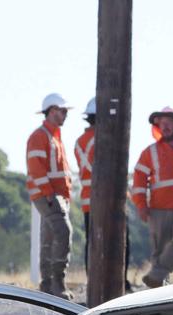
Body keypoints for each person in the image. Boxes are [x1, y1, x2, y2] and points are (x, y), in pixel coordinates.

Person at [132, 106, 173, 287]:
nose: (165, 127)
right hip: (158, 209)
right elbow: (138, 179)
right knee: (158, 252)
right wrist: (140, 205)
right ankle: (160, 290)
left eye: (169, 123)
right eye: (161, 124)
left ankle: (157, 275)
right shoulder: (149, 152)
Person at [25, 93, 74, 299]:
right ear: (52, 111)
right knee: (63, 232)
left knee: (49, 237)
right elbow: (36, 168)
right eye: (63, 111)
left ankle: (47, 285)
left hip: (53, 196)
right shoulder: (41, 136)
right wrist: (50, 195)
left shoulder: (53, 136)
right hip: (48, 196)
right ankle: (58, 284)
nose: (65, 115)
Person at [74, 98, 96, 269]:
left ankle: (92, 278)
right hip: (103, 199)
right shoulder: (101, 139)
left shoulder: (80, 141)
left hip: (87, 199)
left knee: (92, 241)